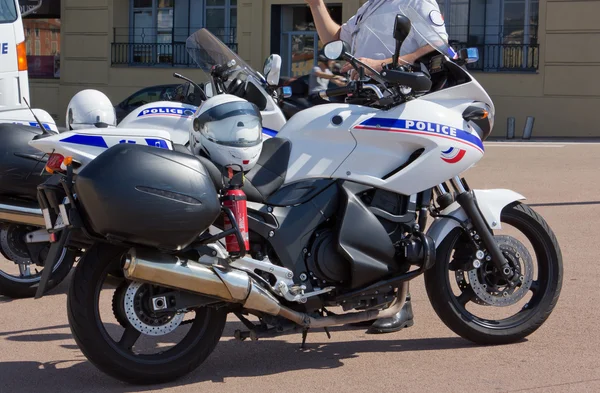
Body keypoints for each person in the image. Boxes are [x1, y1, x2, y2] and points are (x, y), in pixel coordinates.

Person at [305, 0, 449, 334]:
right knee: (364, 205)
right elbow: (335, 39)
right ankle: (371, 295)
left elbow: (439, 42)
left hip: (404, 113)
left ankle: (401, 303)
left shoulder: (414, 0)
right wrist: (316, 5)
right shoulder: (371, 6)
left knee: (396, 207)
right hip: (371, 112)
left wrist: (384, 64)